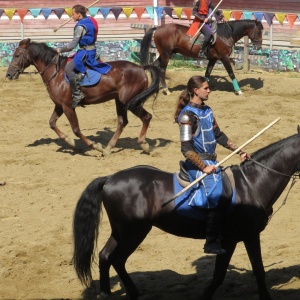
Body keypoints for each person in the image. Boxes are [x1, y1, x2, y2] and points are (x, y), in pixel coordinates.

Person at [174, 76, 250, 255]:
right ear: (196, 91)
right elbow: (186, 148)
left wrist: (240, 151)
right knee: (215, 193)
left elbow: (219, 135)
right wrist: (203, 167)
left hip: (212, 162)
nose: (209, 91)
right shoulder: (186, 116)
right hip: (197, 163)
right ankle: (211, 241)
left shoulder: (207, 111)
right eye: (206, 88)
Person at [56, 4, 111, 108]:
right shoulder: (91, 20)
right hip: (92, 50)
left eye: (73, 14)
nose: (72, 16)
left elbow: (72, 45)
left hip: (85, 53)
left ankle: (77, 95)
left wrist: (60, 50)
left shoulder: (80, 26)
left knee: (68, 68)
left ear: (79, 14)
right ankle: (80, 77)